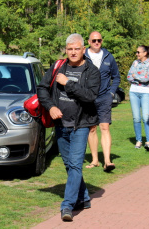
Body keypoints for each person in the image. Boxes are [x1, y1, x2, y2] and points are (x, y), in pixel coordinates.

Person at [37, 33, 101, 221]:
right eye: (70, 49)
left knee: (75, 164)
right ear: (66, 50)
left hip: (80, 125)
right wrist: (51, 106)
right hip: (60, 124)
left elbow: (90, 96)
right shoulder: (58, 67)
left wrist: (68, 84)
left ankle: (67, 206)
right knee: (69, 164)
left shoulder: (92, 71)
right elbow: (41, 88)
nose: (73, 52)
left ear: (83, 50)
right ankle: (85, 198)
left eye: (76, 49)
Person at [84, 31, 120, 172]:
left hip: (104, 97)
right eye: (94, 40)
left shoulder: (108, 57)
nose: (97, 42)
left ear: (102, 41)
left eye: (99, 40)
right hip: (88, 98)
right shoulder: (83, 56)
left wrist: (111, 93)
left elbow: (116, 77)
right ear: (89, 42)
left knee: (105, 127)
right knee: (92, 128)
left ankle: (107, 161)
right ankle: (94, 160)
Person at [127, 45, 149, 151]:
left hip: (145, 93)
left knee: (146, 117)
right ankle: (138, 140)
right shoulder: (135, 63)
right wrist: (138, 78)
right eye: (136, 52)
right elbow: (129, 76)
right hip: (133, 92)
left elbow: (147, 78)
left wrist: (135, 76)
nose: (137, 54)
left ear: (145, 53)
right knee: (136, 118)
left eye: (138, 52)